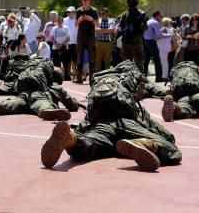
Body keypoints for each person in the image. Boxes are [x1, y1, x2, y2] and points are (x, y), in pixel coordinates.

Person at [40, 68, 182, 172]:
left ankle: (71, 139)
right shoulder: (127, 90)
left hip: (101, 125)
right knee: (171, 150)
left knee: (87, 147)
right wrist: (167, 137)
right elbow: (161, 131)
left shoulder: (98, 88)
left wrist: (79, 130)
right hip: (128, 124)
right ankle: (144, 143)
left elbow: (87, 120)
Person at [0, 58, 77, 120]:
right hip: (38, 96)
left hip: (22, 93)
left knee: (9, 104)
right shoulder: (54, 87)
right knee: (42, 104)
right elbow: (71, 104)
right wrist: (75, 103)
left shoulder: (33, 72)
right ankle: (48, 111)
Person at [116, 0, 147, 70]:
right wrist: (121, 31)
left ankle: (140, 80)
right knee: (125, 64)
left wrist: (140, 25)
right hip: (126, 41)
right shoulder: (125, 14)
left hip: (136, 41)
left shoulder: (141, 14)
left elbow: (145, 28)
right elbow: (120, 26)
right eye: (129, 1)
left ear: (136, 2)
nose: (130, 3)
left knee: (139, 63)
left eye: (132, 1)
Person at [62, 7, 79, 79]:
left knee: (75, 60)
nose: (69, 13)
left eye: (70, 12)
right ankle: (68, 74)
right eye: (68, 12)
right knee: (67, 60)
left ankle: (76, 74)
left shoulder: (78, 20)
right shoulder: (64, 20)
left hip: (76, 43)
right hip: (67, 43)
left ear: (74, 12)